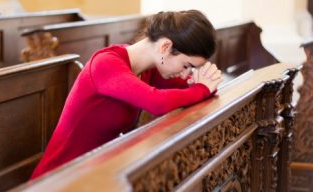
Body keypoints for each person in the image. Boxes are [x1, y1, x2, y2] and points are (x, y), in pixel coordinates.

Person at [30, 10, 223, 180]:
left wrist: (206, 81)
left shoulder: (150, 69)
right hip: (61, 177)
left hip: (97, 171)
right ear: (165, 47)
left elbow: (186, 89)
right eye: (186, 65)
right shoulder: (106, 63)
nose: (185, 73)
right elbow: (158, 102)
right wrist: (204, 88)